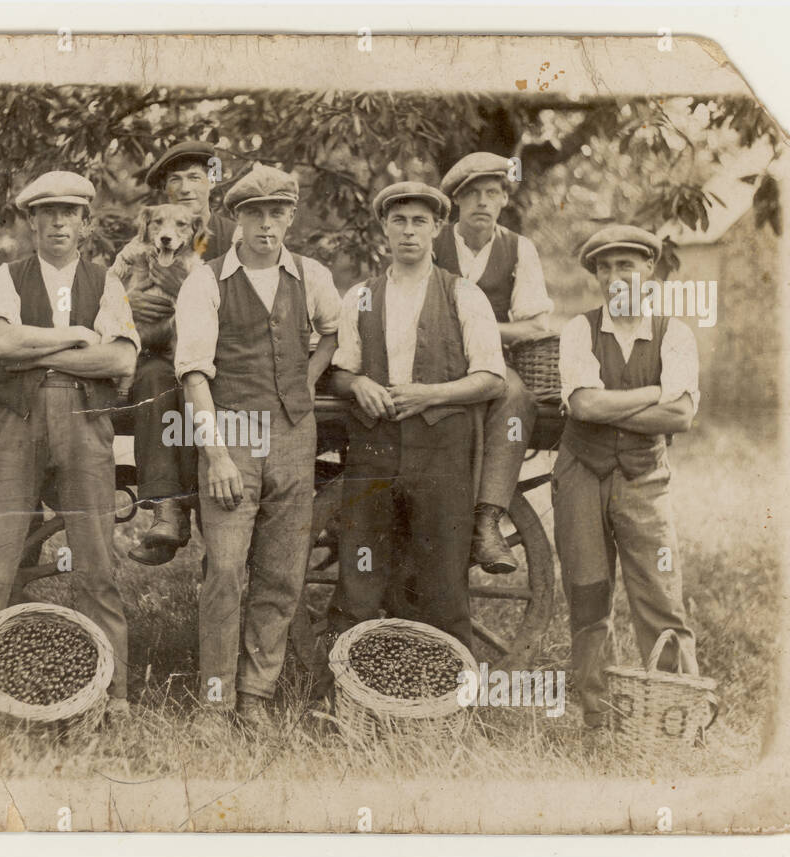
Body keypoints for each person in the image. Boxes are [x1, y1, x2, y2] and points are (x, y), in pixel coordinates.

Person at [0, 171, 140, 718]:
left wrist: (37, 355)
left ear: (85, 224)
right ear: (32, 221)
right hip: (17, 421)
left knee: (97, 567)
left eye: (69, 213)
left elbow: (120, 359)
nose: (58, 222)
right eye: (47, 213)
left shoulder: (105, 282)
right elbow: (0, 341)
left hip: (84, 421)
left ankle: (114, 695)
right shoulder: (8, 277)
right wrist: (75, 336)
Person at [173, 163, 339, 729]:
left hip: (294, 433)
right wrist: (215, 452)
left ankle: (256, 698)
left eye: (277, 212)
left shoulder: (311, 275)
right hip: (233, 433)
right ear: (235, 219)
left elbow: (333, 332)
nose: (266, 225)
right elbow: (194, 373)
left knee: (283, 570)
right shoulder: (206, 280)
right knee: (223, 568)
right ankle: (215, 703)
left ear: (291, 215)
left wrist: (306, 381)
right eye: (254, 213)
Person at [326, 181, 506, 655]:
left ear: (437, 229)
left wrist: (432, 394)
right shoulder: (362, 295)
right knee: (358, 581)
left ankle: (447, 702)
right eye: (399, 221)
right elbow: (340, 371)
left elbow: (491, 378)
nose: (409, 232)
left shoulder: (463, 295)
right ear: (384, 227)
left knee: (443, 586)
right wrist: (357, 383)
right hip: (374, 450)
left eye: (419, 222)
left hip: (441, 453)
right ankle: (347, 693)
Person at [552, 225, 700, 729]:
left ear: (649, 272)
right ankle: (597, 715)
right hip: (580, 475)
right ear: (596, 275)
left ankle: (673, 716)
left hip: (644, 477)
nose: (617, 276)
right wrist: (654, 392)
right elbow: (583, 404)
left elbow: (679, 417)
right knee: (588, 593)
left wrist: (604, 409)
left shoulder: (673, 333)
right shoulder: (579, 329)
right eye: (606, 267)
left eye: (627, 266)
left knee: (661, 596)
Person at [436, 152, 555, 573]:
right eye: (472, 195)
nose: (482, 203)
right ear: (456, 203)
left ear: (504, 199)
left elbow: (536, 326)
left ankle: (486, 521)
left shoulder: (519, 249)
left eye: (492, 193)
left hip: (492, 361)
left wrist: (478, 331)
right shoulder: (431, 244)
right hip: (429, 361)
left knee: (517, 397)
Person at [127, 140, 238, 566]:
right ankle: (167, 508)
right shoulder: (154, 234)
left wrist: (180, 294)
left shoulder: (235, 232)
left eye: (196, 175)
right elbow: (123, 286)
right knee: (154, 380)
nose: (185, 186)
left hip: (222, 352)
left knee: (202, 389)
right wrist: (129, 304)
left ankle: (215, 521)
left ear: (213, 181)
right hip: (161, 348)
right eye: (175, 179)